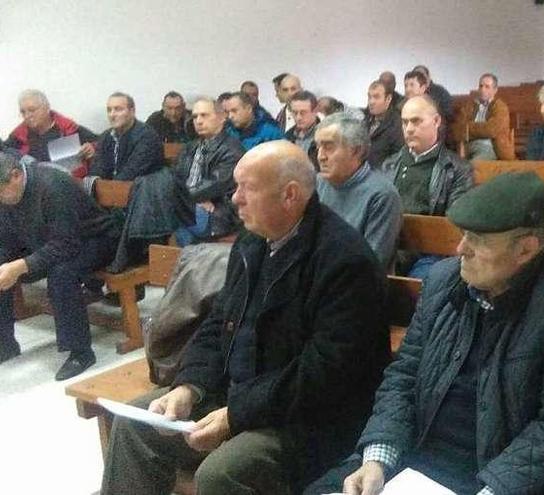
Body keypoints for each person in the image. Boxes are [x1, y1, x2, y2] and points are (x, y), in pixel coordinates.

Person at [101, 140, 390, 495]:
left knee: (222, 473)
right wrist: (189, 387)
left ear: (290, 195)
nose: (234, 198)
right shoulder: (252, 242)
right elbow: (218, 323)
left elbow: (323, 375)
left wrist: (236, 415)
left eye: (247, 188)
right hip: (240, 393)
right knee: (136, 424)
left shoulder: (345, 262)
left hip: (307, 419)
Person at [305, 171, 544, 495]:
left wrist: (494, 489)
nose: (460, 248)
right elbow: (404, 376)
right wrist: (378, 457)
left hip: (503, 476)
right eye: (464, 234)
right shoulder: (444, 281)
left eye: (478, 240)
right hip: (419, 458)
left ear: (526, 249)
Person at [0, 151, 120, 379]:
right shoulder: (7, 195)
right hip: (48, 241)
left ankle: (80, 352)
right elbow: (6, 239)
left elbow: (66, 244)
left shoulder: (53, 186)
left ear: (15, 176)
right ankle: (4, 344)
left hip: (95, 240)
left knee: (62, 271)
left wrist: (20, 266)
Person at [381, 95, 473, 277]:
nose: (408, 129)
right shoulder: (389, 165)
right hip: (390, 245)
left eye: (416, 121)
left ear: (436, 121)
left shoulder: (457, 169)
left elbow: (453, 226)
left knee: (425, 281)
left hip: (429, 253)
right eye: (405, 122)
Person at [314, 112, 402, 270]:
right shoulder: (316, 183)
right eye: (318, 147)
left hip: (354, 283)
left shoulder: (382, 195)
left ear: (356, 151)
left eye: (328, 147)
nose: (320, 156)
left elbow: (372, 261)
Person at [173, 98, 244, 247]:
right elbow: (176, 179)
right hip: (193, 206)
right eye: (195, 116)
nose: (198, 121)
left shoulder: (232, 149)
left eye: (204, 115)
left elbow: (213, 186)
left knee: (164, 207)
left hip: (219, 213)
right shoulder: (190, 147)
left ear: (222, 118)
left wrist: (182, 197)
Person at [4, 89, 98, 178]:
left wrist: (91, 147)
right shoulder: (17, 137)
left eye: (32, 110)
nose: (27, 116)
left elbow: (100, 143)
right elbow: (4, 153)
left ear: (47, 107)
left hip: (69, 185)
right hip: (34, 189)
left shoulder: (68, 128)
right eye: (23, 112)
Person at [91, 92, 165, 180]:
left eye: (118, 109)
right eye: (109, 110)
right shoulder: (105, 136)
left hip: (142, 189)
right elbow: (97, 168)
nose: (112, 115)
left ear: (132, 111)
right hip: (111, 189)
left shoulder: (147, 136)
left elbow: (132, 173)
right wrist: (96, 182)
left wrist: (107, 188)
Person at [451, 73, 515, 161]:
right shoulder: (470, 106)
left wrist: (468, 129)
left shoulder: (500, 107)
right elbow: (458, 128)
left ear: (495, 90)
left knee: (472, 167)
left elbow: (491, 130)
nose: (482, 89)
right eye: (480, 86)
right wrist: (479, 128)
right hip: (466, 147)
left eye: (487, 87)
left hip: (488, 147)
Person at [363, 80, 404, 168]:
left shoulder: (398, 125)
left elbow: (398, 159)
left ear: (388, 99)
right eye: (369, 97)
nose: (371, 102)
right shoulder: (366, 120)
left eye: (376, 97)